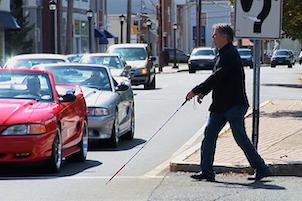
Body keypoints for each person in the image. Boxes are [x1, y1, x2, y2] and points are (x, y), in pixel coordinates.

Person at [185, 24, 272, 182]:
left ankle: (261, 168)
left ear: (224, 37)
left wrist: (197, 89)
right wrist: (204, 92)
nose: (213, 37)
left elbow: (218, 76)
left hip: (234, 104)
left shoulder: (231, 54)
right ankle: (206, 171)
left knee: (240, 137)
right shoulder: (221, 54)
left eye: (215, 34)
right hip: (220, 105)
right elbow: (219, 79)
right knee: (209, 135)